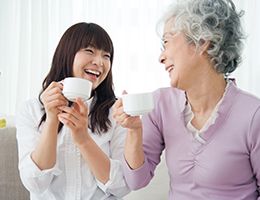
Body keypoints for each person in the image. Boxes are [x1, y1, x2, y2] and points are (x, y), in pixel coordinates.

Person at [113, 0, 260, 199]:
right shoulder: (160, 105)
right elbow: (136, 180)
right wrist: (133, 131)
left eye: (167, 41)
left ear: (202, 41)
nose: (161, 57)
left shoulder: (253, 115)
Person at [16, 22, 130, 200]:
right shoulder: (31, 110)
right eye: (90, 51)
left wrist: (84, 139)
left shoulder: (116, 113)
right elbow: (35, 184)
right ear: (67, 54)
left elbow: (121, 186)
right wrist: (52, 119)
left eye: (106, 56)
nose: (99, 62)